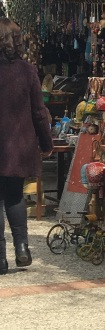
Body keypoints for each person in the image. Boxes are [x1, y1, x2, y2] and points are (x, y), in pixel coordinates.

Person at [0, 17, 53, 274]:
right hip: (18, 146)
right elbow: (39, 112)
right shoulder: (27, 71)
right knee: (14, 196)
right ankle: (22, 248)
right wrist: (46, 142)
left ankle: (0, 259)